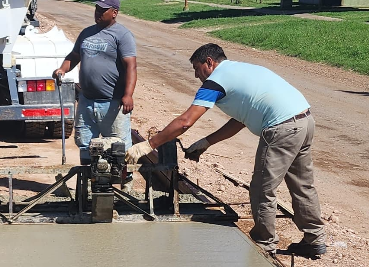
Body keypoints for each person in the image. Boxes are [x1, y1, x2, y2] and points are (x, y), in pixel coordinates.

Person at [126, 43, 326, 258]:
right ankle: (314, 239)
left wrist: (149, 145)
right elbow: (241, 119)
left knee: (261, 188)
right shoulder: (242, 70)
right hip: (304, 121)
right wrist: (206, 142)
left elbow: (185, 121)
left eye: (196, 67)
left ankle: (264, 244)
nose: (196, 75)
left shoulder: (215, 81)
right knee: (302, 184)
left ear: (209, 63)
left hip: (281, 128)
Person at [52, 0, 137, 167]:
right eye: (97, 9)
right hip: (86, 101)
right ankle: (88, 181)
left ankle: (123, 185)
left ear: (114, 12)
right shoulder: (87, 33)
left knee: (118, 147)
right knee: (85, 144)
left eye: (103, 10)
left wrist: (128, 94)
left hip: (112, 104)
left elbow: (131, 67)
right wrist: (62, 69)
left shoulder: (122, 35)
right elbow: (74, 56)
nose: (98, 12)